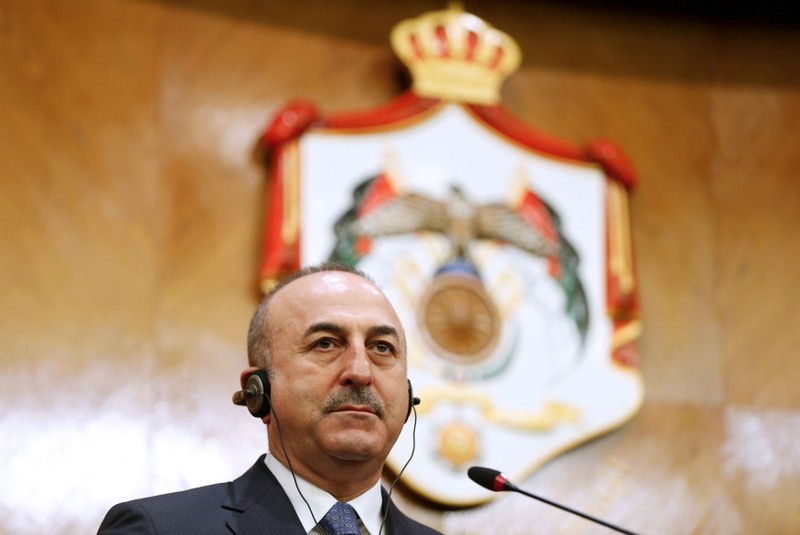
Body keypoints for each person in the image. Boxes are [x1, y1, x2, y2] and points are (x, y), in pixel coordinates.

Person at [98, 262, 441, 534]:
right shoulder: (158, 529)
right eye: (325, 343)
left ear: (408, 394)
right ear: (258, 390)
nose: (360, 372)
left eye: (382, 347)